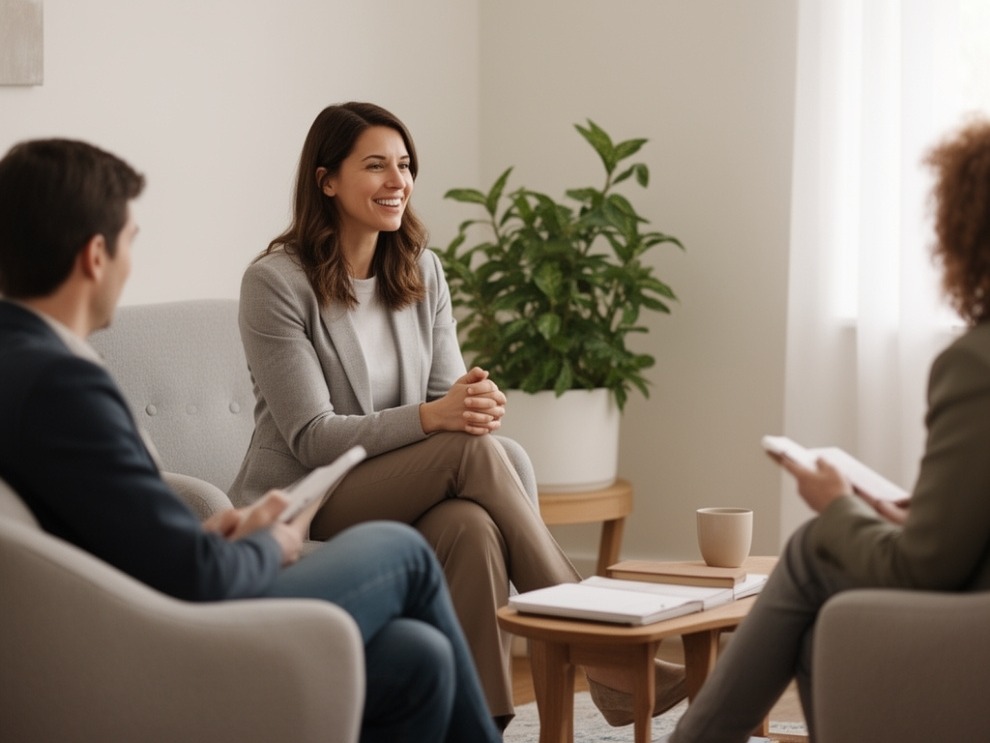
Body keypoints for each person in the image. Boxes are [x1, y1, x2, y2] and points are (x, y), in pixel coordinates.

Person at [0, 137, 502, 743]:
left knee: (418, 655)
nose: (133, 263)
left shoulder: (23, 361)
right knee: (402, 553)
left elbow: (107, 527)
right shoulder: (63, 385)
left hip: (135, 606)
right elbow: (194, 577)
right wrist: (275, 542)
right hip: (166, 637)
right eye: (132, 241)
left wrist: (211, 530)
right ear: (94, 256)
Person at [227, 101, 687, 727]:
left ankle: (483, 724)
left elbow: (450, 395)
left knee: (471, 525)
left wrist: (474, 404)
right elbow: (311, 437)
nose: (398, 182)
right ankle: (602, 651)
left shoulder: (420, 268)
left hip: (404, 482)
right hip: (312, 497)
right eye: (376, 166)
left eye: (406, 165)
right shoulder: (276, 283)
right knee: (468, 453)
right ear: (326, 179)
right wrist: (437, 418)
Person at [667, 117, 990, 742]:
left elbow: (925, 570)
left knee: (815, 547)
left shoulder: (975, 363)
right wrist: (920, 514)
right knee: (818, 629)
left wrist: (838, 502)